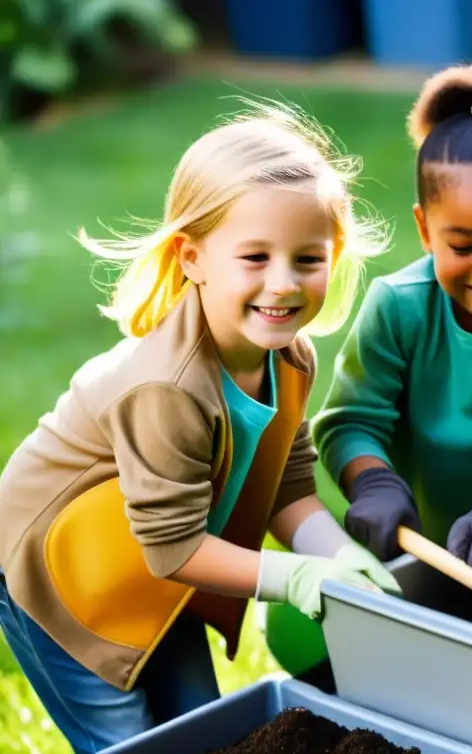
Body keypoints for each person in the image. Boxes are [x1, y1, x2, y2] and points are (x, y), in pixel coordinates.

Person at [0, 100, 400, 753]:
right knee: (129, 742)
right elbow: (175, 549)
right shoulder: (168, 387)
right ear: (192, 258)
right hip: (62, 581)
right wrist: (293, 577)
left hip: (150, 575)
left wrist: (335, 554)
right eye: (255, 257)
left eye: (308, 258)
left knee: (203, 728)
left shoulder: (287, 359)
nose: (284, 283)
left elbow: (289, 490)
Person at [267, 62, 472, 688]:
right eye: (463, 245)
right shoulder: (399, 307)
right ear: (424, 230)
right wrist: (374, 484)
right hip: (405, 548)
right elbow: (351, 419)